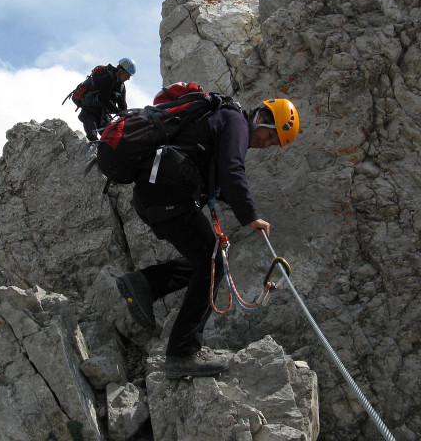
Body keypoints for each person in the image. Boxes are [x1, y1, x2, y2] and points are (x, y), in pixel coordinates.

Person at [115, 97, 299, 379]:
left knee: (208, 262)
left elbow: (221, 177)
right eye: (271, 136)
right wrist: (250, 216)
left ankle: (144, 284)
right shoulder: (236, 123)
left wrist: (240, 208)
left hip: (156, 194)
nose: (267, 143)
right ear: (262, 118)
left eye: (274, 143)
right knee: (213, 263)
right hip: (167, 194)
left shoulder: (226, 122)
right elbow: (232, 170)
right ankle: (182, 352)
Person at [77, 58, 136, 141]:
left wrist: (126, 116)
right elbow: (105, 100)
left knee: (111, 136)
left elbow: (123, 105)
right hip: (90, 111)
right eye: (127, 75)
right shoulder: (106, 78)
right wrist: (120, 112)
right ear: (120, 71)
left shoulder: (121, 87)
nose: (128, 78)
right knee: (92, 136)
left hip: (103, 115)